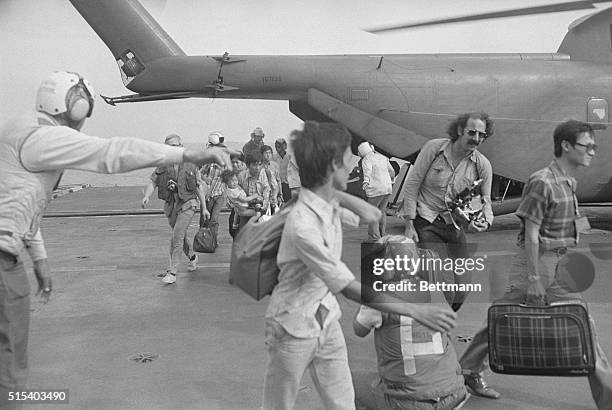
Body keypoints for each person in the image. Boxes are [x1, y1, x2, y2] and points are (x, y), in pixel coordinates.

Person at [0, 70, 232, 406]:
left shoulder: (21, 129)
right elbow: (111, 153)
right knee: (10, 372)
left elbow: (19, 206)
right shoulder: (44, 136)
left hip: (9, 253)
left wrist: (40, 260)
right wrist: (187, 154)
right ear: (76, 106)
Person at [262, 121, 457, 410]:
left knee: (343, 400)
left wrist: (346, 197)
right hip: (292, 326)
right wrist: (415, 309)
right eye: (347, 157)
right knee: (279, 404)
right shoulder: (303, 226)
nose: (353, 163)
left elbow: (363, 212)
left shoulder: (323, 201)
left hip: (325, 317)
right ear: (332, 166)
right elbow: (349, 288)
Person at [459, 120, 612, 408]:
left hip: (560, 261)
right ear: (566, 146)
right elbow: (530, 232)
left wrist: (577, 226)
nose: (592, 151)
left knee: (578, 325)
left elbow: (572, 220)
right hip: (539, 262)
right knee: (503, 318)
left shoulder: (568, 180)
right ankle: (464, 373)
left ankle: (466, 370)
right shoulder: (543, 181)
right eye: (586, 145)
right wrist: (534, 278)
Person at [352, 238, 469, 410]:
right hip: (455, 393)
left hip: (408, 401)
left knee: (346, 383)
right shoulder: (433, 290)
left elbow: (359, 329)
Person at [401, 112, 494, 312]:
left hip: (454, 225)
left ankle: (443, 321)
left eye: (482, 135)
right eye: (472, 132)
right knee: (444, 285)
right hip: (426, 221)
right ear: (460, 130)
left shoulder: (482, 164)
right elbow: (412, 184)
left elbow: (485, 201)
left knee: (464, 287)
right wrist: (409, 224)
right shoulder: (434, 148)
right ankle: (440, 326)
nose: (476, 139)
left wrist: (484, 222)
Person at [142, 134, 209, 284]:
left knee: (176, 237)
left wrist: (204, 208)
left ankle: (172, 272)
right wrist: (146, 196)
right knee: (180, 236)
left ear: (181, 146)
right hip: (171, 206)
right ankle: (192, 256)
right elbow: (153, 182)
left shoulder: (191, 163)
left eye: (175, 146)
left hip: (188, 204)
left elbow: (198, 187)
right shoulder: (162, 165)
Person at [358, 142, 395, 242]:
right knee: (381, 211)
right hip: (387, 188)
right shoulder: (382, 157)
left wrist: (366, 181)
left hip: (376, 189)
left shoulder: (366, 159)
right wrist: (390, 180)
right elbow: (392, 171)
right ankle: (383, 235)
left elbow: (367, 171)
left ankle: (374, 238)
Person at [200, 132, 228, 240]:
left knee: (214, 219)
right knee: (205, 219)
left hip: (219, 194)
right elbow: (200, 173)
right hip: (209, 195)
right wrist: (205, 179)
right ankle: (203, 239)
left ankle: (212, 240)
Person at [237, 151, 270, 230]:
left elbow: (266, 189)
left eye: (259, 164)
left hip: (260, 207)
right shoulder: (241, 176)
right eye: (254, 165)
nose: (257, 168)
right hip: (247, 208)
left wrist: (264, 204)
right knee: (243, 232)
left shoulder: (264, 174)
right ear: (248, 165)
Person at [261, 145, 281, 213]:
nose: (268, 155)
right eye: (266, 153)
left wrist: (280, 195)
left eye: (269, 153)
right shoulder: (259, 166)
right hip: (263, 195)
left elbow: (278, 180)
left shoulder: (275, 165)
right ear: (262, 155)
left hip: (274, 194)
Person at [274, 138, 292, 202]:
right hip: (277, 185)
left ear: (285, 146)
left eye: (282, 146)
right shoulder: (273, 158)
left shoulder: (290, 157)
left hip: (288, 184)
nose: (280, 148)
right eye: (277, 146)